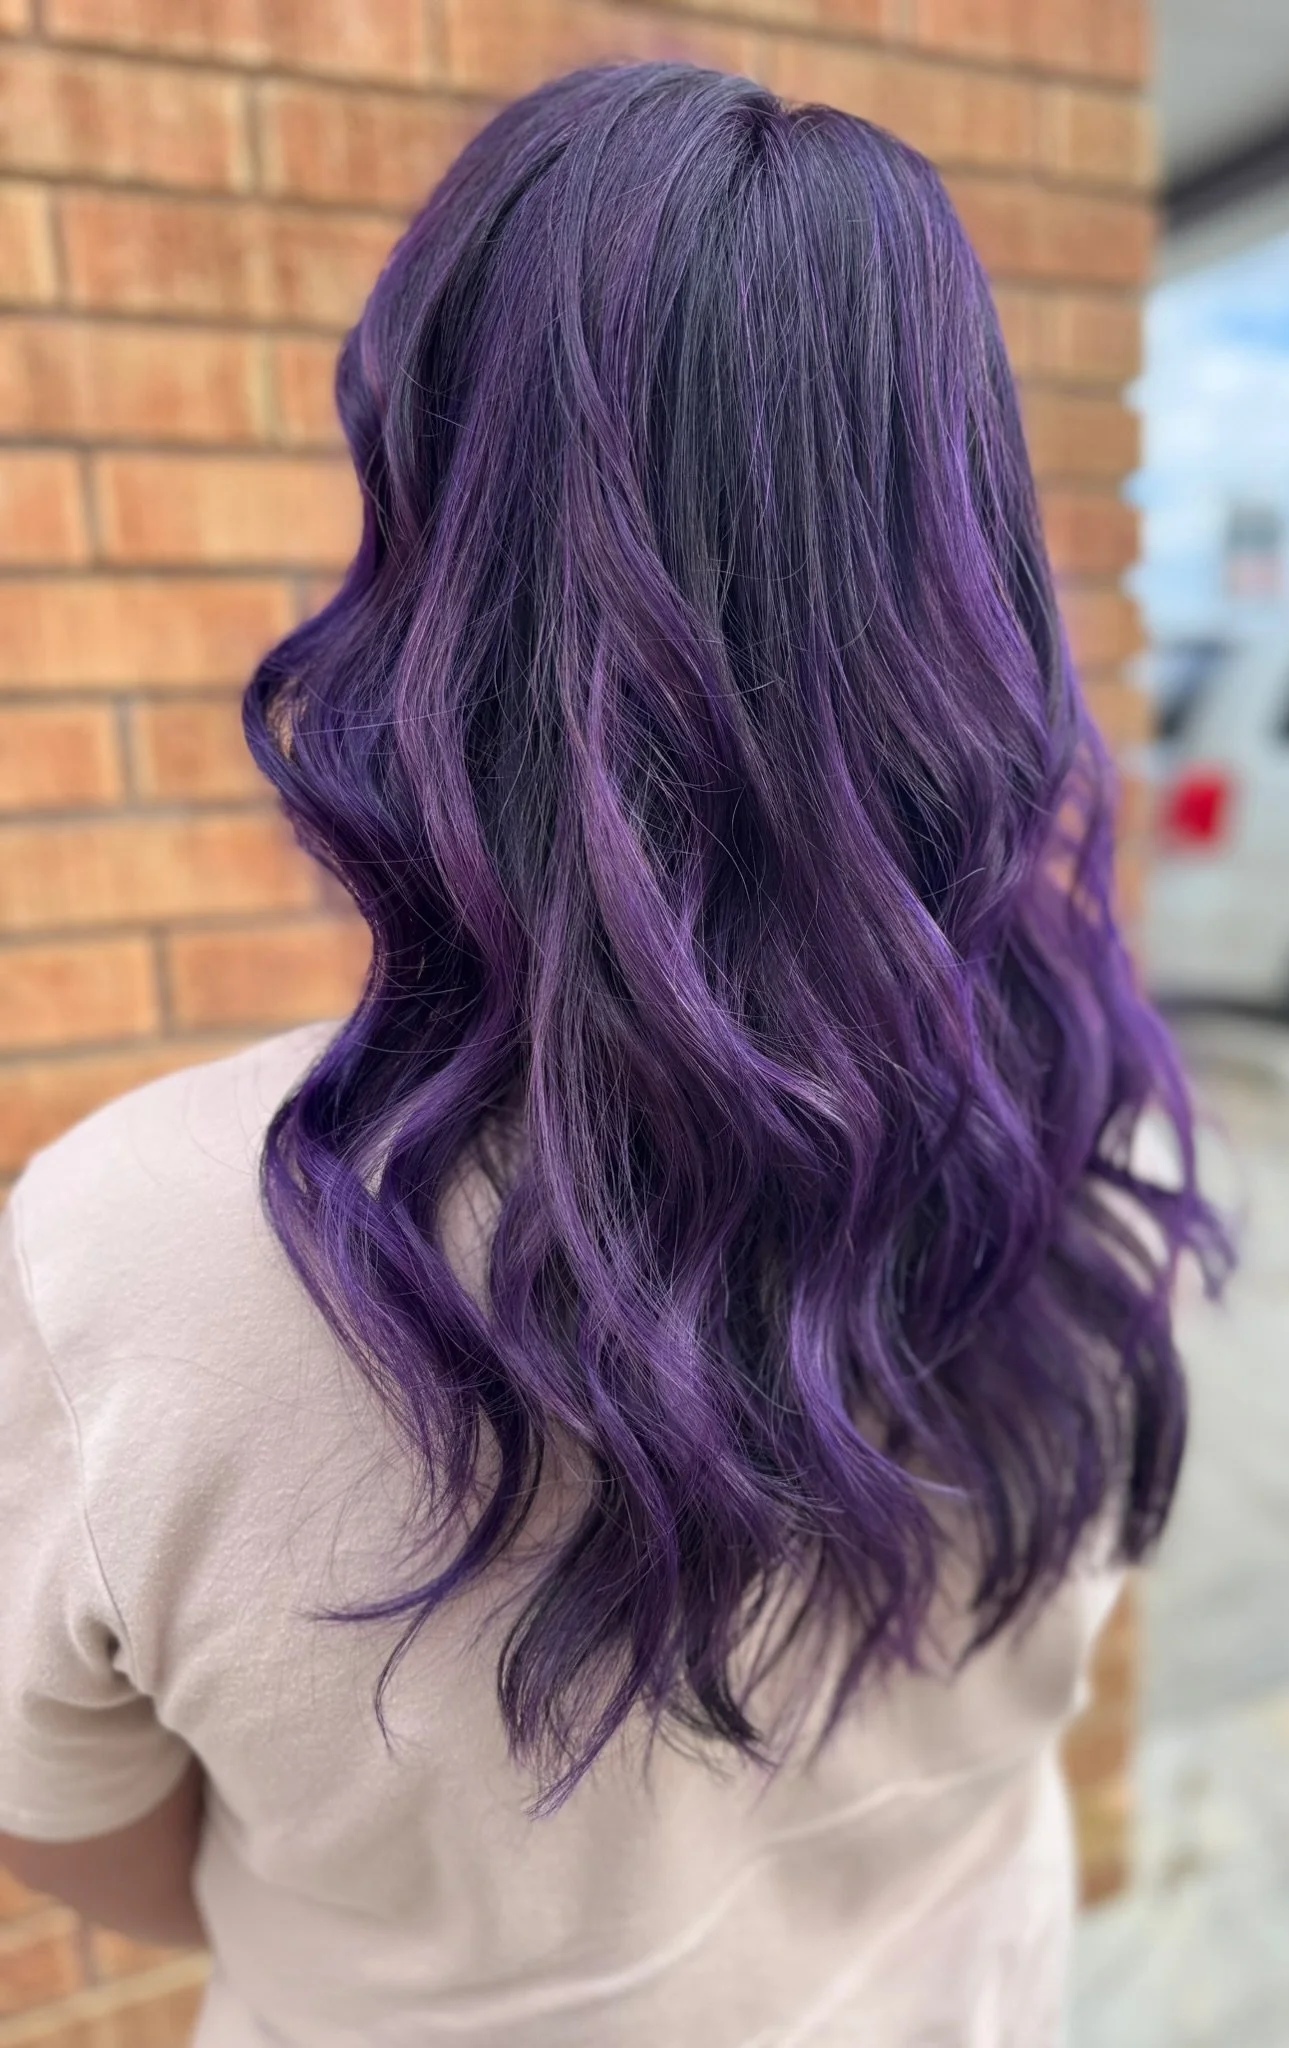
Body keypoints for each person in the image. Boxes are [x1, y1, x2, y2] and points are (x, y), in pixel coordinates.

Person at [0, 63, 1223, 2048]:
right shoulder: (1077, 1145)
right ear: (967, 563)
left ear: (432, 544)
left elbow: (93, 1852)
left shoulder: (128, 1258)